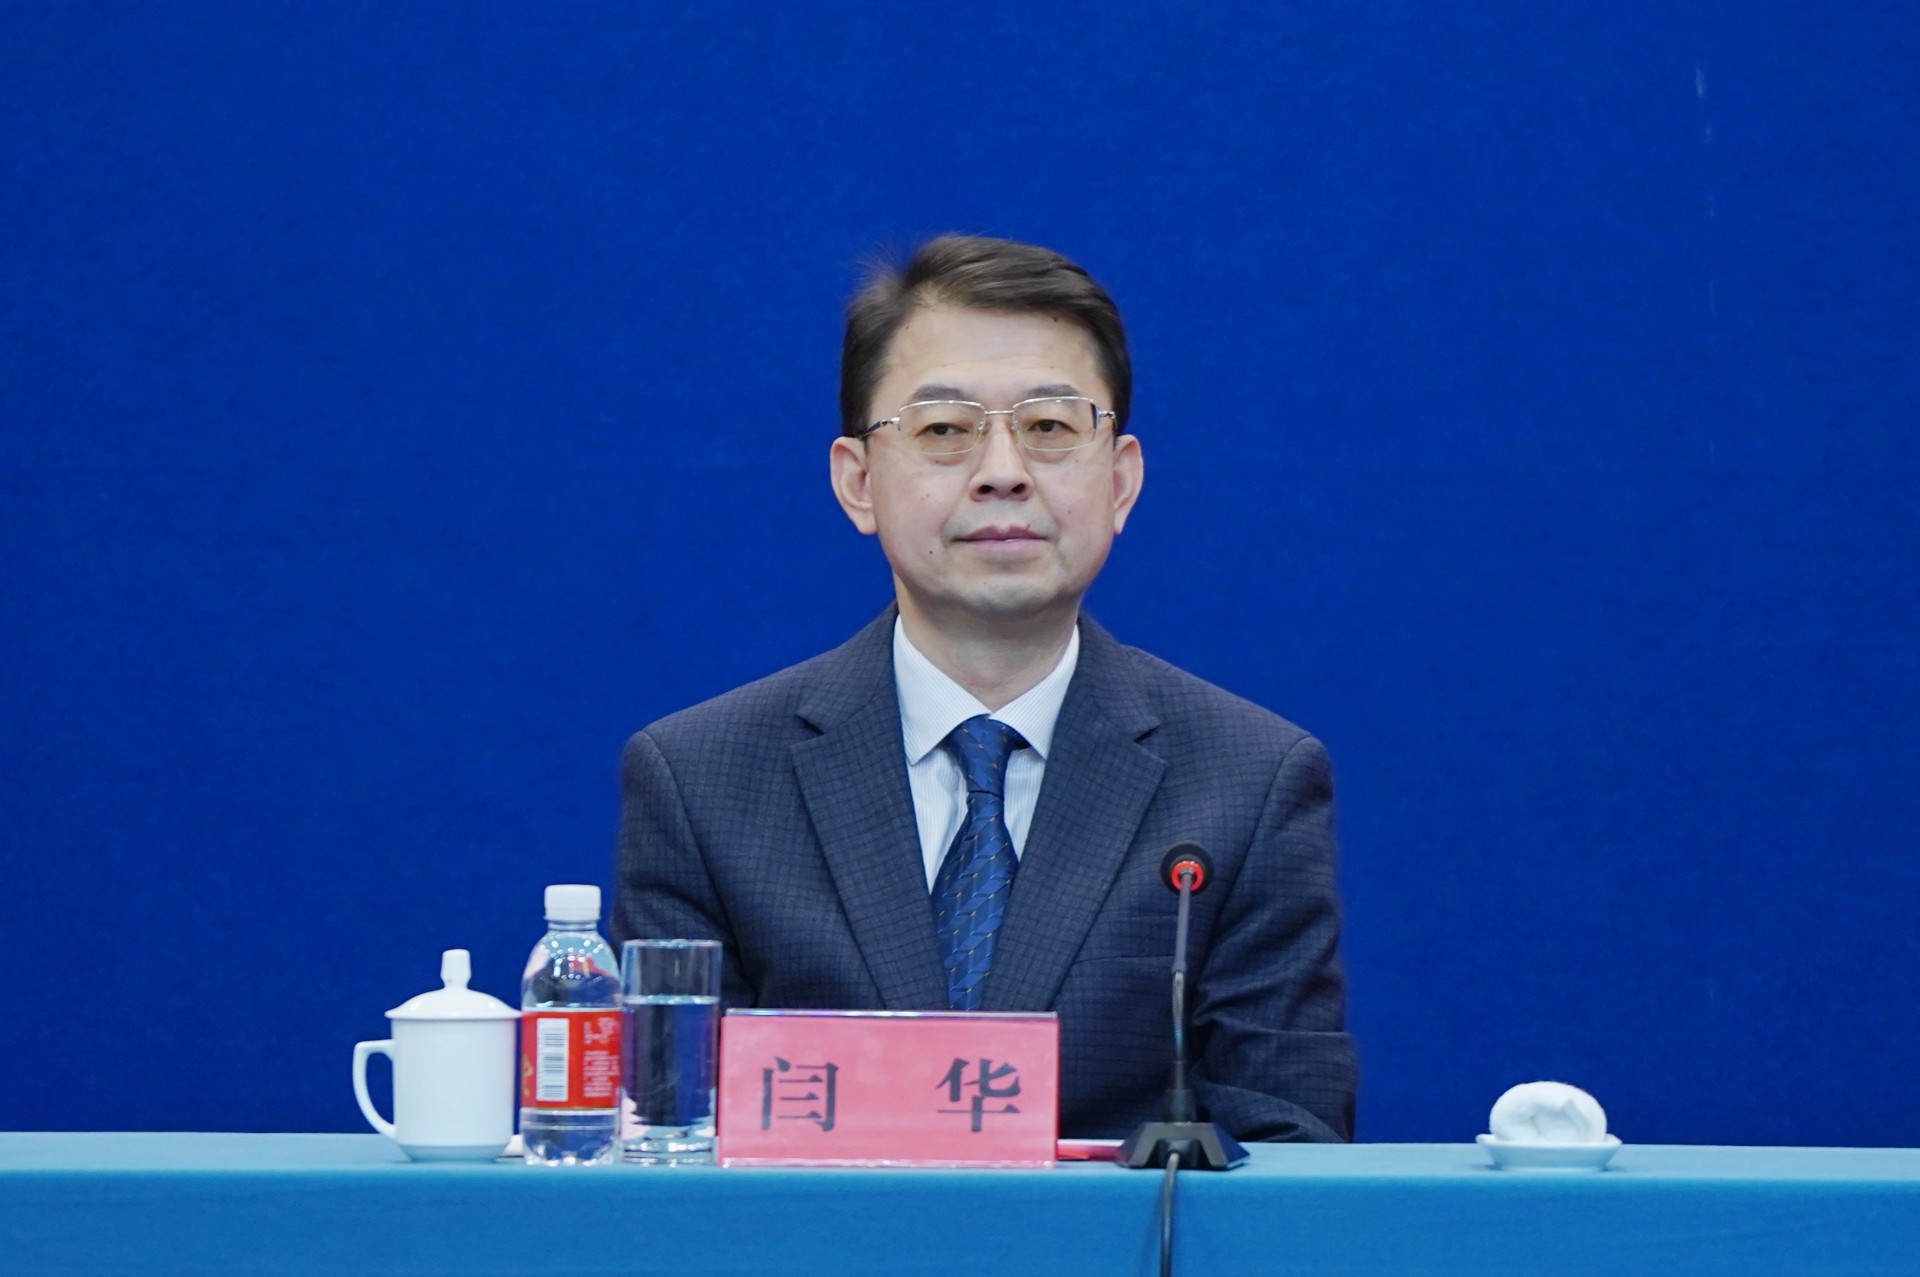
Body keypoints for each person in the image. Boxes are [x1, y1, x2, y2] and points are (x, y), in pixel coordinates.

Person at [613, 235, 1355, 1141]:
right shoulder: (702, 781)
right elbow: (674, 1148)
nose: (1003, 470)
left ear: (1120, 480)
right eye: (944, 430)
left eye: (1049, 427)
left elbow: (1287, 1153)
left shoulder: (1248, 781)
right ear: (858, 482)